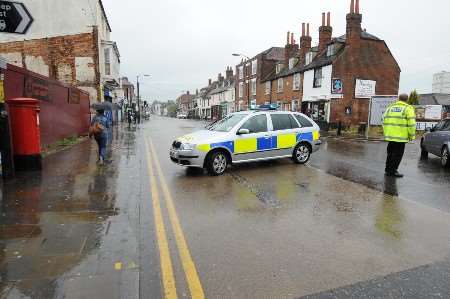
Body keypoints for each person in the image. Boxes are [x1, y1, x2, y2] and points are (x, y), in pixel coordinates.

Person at [382, 93, 416, 178]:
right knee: (397, 155)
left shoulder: (390, 108)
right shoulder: (408, 108)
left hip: (390, 136)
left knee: (390, 154)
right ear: (407, 100)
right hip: (400, 138)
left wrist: (386, 132)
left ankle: (388, 170)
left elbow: (383, 119)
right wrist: (411, 135)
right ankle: (393, 171)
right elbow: (412, 124)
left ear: (398, 99)